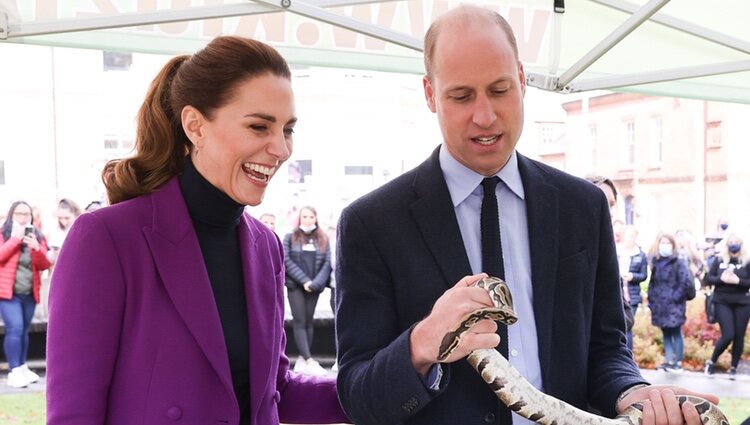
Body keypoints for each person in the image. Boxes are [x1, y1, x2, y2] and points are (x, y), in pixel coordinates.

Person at [334, 6, 716, 425]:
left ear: (521, 79)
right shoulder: (372, 224)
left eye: (499, 90)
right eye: (461, 96)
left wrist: (633, 393)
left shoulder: (583, 207)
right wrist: (422, 343)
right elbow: (359, 397)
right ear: (429, 93)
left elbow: (607, 351)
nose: (485, 116)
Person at [46, 35, 349, 425]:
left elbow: (275, 393)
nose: (281, 149)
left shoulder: (266, 247)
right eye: (259, 126)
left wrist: (403, 370)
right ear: (195, 126)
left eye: (287, 129)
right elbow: (73, 415)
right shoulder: (105, 239)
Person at [0, 201, 51, 388]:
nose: (23, 218)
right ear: (11, 215)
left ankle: (22, 367)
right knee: (15, 328)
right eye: (19, 214)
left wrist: (36, 248)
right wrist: (14, 239)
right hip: (7, 293)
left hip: (29, 292)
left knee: (24, 331)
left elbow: (44, 264)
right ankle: (14, 371)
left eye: (26, 214)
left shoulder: (37, 235)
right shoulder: (3, 234)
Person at [585, 175, 635, 339]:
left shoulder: (606, 251)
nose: (607, 210)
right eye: (599, 201)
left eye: (611, 204)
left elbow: (625, 314)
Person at [283, 205, 331, 376]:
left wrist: (315, 283)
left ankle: (303, 360)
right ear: (299, 219)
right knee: (300, 321)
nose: (308, 220)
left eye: (311, 217)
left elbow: (327, 262)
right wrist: (304, 281)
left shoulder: (322, 238)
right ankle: (309, 359)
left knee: (309, 321)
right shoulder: (290, 237)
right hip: (296, 286)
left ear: (316, 219)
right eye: (305, 217)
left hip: (314, 288)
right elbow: (286, 260)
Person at [703, 233, 750, 380]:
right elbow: (708, 278)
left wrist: (738, 281)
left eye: (737, 241)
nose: (734, 244)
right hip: (722, 301)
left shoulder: (747, 261)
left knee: (739, 336)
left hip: (743, 302)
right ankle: (712, 361)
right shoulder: (719, 260)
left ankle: (734, 367)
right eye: (731, 241)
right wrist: (721, 279)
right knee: (728, 334)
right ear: (726, 243)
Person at [647, 232, 693, 372]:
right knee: (666, 333)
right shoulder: (656, 263)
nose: (664, 246)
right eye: (662, 243)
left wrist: (675, 298)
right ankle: (669, 360)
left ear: (673, 245)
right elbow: (653, 284)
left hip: (674, 304)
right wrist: (652, 301)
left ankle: (677, 362)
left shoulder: (678, 263)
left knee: (675, 332)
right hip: (660, 305)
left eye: (668, 243)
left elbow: (685, 282)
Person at [617, 225, 648, 351]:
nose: (629, 238)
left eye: (632, 236)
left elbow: (644, 275)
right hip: (617, 292)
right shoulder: (616, 251)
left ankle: (627, 352)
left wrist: (632, 276)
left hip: (632, 294)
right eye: (627, 235)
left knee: (627, 324)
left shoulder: (640, 255)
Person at [46, 198, 81, 266]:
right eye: (60, 218)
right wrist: (53, 253)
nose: (64, 222)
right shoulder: (55, 230)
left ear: (76, 215)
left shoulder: (83, 231)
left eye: (67, 218)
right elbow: (49, 258)